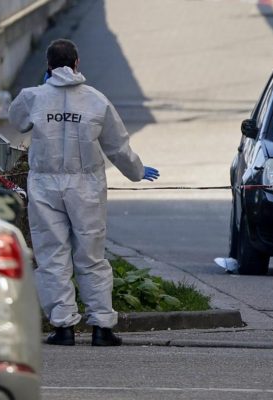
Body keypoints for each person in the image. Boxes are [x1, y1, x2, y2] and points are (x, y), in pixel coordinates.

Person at [9, 39, 160, 346]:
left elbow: (16, 119)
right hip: (86, 187)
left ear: (48, 67)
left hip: (45, 185)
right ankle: (102, 326)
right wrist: (136, 171)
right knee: (91, 256)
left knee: (52, 255)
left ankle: (63, 326)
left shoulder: (34, 97)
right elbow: (117, 146)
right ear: (77, 63)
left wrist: (40, 88)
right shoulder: (96, 101)